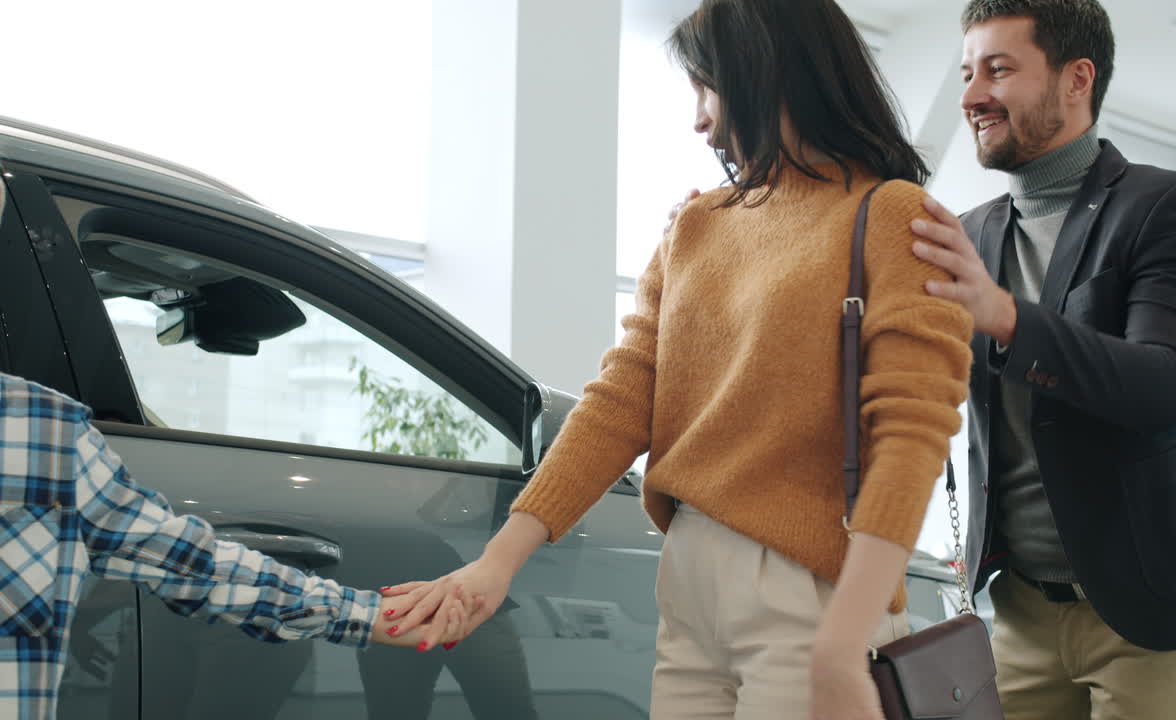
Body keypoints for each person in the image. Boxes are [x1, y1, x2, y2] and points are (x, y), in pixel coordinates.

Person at [380, 1, 974, 718]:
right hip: (690, 583)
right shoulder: (696, 225)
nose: (700, 118)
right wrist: (498, 561)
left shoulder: (890, 214)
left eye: (708, 87)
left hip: (811, 598)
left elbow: (909, 435)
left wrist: (844, 643)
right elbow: (620, 400)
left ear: (768, 75)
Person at [904, 1, 1176, 718]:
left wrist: (1005, 316)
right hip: (1016, 612)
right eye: (967, 72)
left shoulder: (1171, 206)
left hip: (1157, 615)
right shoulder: (971, 234)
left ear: (1077, 80)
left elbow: (1173, 390)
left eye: (999, 69)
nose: (972, 95)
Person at [0, 371, 425, 719]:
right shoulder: (34, 430)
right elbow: (177, 557)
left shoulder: (39, 432)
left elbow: (177, 557)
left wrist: (366, 616)